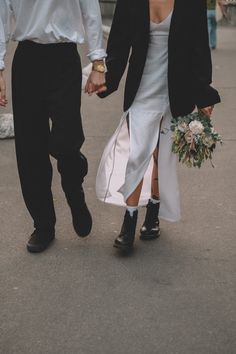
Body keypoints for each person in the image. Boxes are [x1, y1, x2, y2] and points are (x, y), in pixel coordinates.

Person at [96, 0, 221, 252]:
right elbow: (119, 41)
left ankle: (153, 211)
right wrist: (106, 79)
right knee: (137, 152)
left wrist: (204, 93)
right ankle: (129, 220)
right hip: (142, 89)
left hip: (176, 89)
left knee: (161, 155)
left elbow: (199, 46)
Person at [0, 0, 106, 253]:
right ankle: (44, 225)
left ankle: (73, 187)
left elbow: (90, 11)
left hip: (64, 59)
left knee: (67, 140)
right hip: (28, 60)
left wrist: (98, 63)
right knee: (30, 150)